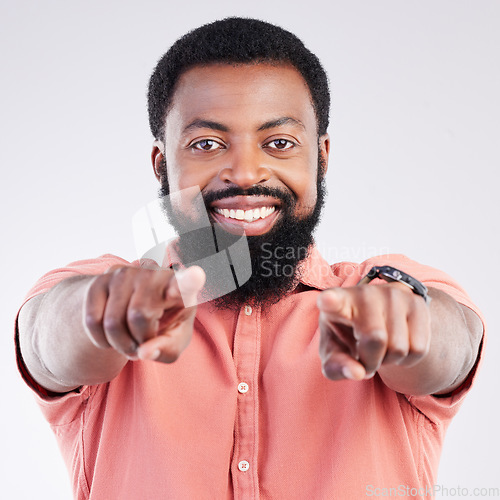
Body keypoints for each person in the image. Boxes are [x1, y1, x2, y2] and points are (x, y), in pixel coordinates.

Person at [15, 17, 484, 500]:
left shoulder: (383, 288)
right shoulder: (107, 288)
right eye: (207, 144)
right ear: (162, 165)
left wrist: (410, 326)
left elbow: (453, 348)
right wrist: (98, 313)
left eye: (278, 143)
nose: (244, 173)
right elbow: (44, 338)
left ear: (321, 157)